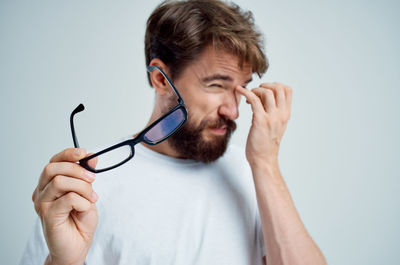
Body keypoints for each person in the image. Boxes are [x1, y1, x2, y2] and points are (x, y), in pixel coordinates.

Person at [20, 0, 327, 264]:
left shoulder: (254, 175)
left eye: (242, 89)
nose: (233, 111)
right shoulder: (85, 186)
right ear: (161, 79)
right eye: (217, 85)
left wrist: (265, 163)